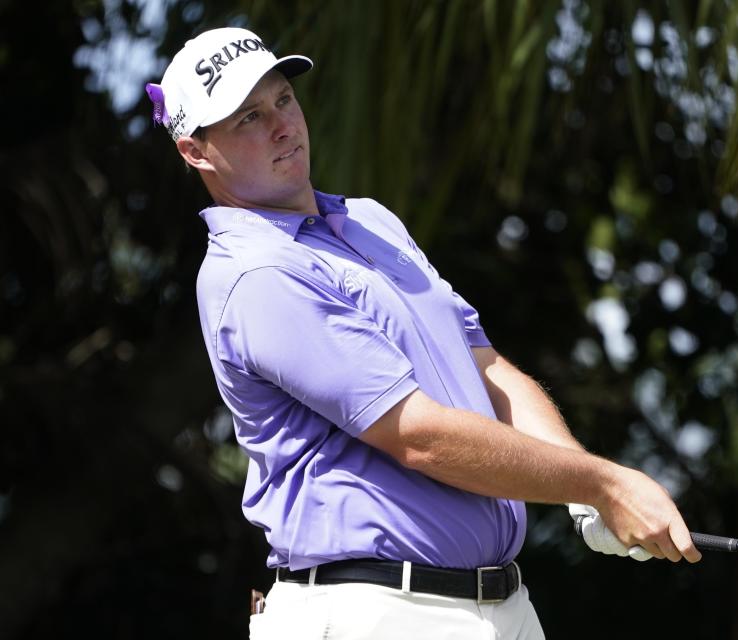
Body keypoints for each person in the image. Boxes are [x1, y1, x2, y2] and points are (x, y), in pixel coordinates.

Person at [146, 26, 701, 640]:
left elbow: (486, 367)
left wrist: (584, 495)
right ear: (196, 151)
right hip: (376, 611)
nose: (284, 126)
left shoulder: (369, 221)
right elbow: (418, 436)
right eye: (249, 117)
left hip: (501, 604)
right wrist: (606, 482)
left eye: (283, 100)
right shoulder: (256, 275)